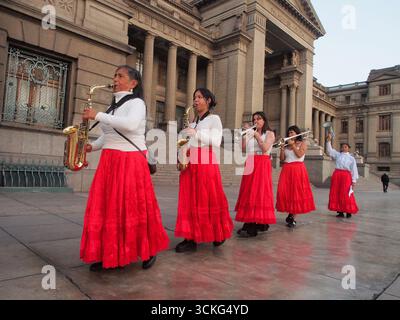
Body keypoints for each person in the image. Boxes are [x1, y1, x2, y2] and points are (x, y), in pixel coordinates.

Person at [80, 65, 169, 271]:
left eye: (120, 76)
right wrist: (92, 146)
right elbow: (109, 134)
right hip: (110, 160)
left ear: (133, 83)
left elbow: (129, 125)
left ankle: (148, 249)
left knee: (134, 207)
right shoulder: (114, 107)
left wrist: (97, 115)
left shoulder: (137, 103)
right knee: (109, 208)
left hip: (130, 161)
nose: (115, 79)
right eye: (115, 75)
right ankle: (109, 253)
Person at [174, 88, 233, 252]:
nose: (195, 100)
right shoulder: (192, 122)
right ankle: (190, 237)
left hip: (206, 162)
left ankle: (217, 233)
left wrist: (196, 133)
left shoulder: (214, 119)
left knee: (209, 199)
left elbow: (216, 141)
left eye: (199, 97)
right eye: (194, 97)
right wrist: (180, 158)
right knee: (189, 200)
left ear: (208, 101)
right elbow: (183, 142)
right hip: (189, 162)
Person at [234, 111, 276, 237]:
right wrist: (245, 135)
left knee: (259, 192)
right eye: (254, 119)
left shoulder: (269, 133)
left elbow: (265, 148)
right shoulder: (251, 134)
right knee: (248, 192)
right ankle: (253, 221)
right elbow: (242, 148)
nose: (256, 121)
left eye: (258, 119)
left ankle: (253, 224)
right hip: (250, 162)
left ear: (264, 120)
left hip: (262, 162)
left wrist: (257, 136)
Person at [276, 125, 316, 227]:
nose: (290, 134)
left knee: (296, 193)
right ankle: (290, 212)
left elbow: (299, 155)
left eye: (292, 132)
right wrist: (281, 148)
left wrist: (293, 145)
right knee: (285, 192)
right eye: (289, 133)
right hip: (287, 169)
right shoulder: (286, 145)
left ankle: (293, 217)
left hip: (298, 170)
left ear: (297, 133)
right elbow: (282, 159)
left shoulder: (303, 143)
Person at [326, 133, 359, 218]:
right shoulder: (338, 155)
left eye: (345, 147)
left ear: (348, 149)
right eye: (343, 146)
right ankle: (340, 211)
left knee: (346, 193)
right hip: (337, 175)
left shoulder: (351, 158)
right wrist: (328, 140)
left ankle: (348, 211)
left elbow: (354, 170)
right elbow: (330, 151)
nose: (344, 148)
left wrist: (354, 181)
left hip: (346, 176)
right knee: (337, 193)